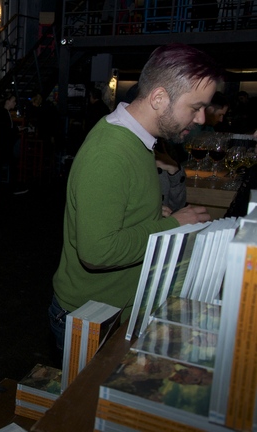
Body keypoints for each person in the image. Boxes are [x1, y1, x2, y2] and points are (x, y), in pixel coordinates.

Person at [49, 43, 223, 355]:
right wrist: (170, 225)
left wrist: (152, 215)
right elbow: (97, 252)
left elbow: (122, 209)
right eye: (195, 107)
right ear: (159, 98)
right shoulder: (110, 153)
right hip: (91, 316)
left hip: (115, 308)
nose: (200, 119)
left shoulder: (140, 140)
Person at [0, 91, 27, 194]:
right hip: (4, 145)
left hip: (2, 144)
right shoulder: (4, 113)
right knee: (11, 162)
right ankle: (14, 187)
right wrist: (17, 129)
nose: (15, 103)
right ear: (7, 101)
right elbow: (6, 131)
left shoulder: (2, 112)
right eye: (13, 101)